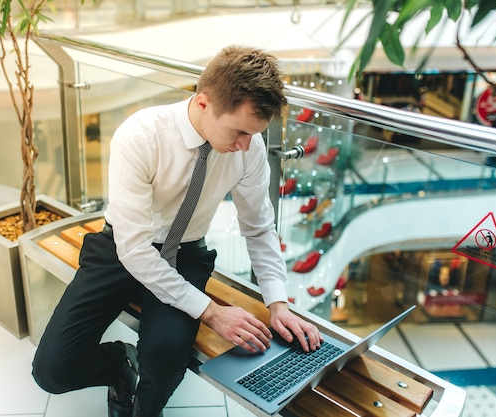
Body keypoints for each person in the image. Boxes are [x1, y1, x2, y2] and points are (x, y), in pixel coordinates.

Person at [31, 45, 323, 417]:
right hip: (121, 247)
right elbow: (134, 250)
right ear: (203, 104)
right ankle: (120, 364)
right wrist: (212, 312)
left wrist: (278, 303)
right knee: (53, 371)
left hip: (185, 254)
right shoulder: (140, 136)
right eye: (239, 132)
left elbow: (259, 227)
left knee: (166, 360)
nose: (246, 146)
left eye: (254, 134)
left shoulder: (248, 147)